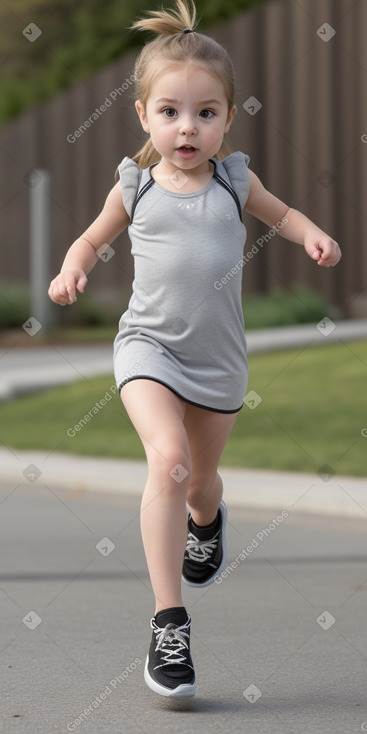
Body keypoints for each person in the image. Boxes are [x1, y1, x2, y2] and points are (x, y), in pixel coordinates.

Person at [48, 0, 341, 699]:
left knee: (200, 485)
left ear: (227, 120)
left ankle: (206, 522)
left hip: (217, 362)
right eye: (172, 111)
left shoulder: (235, 180)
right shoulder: (136, 183)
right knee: (169, 463)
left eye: (206, 113)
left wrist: (309, 235)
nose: (189, 126)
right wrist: (72, 267)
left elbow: (283, 213)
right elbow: (91, 238)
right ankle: (168, 622)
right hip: (148, 349)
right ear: (144, 116)